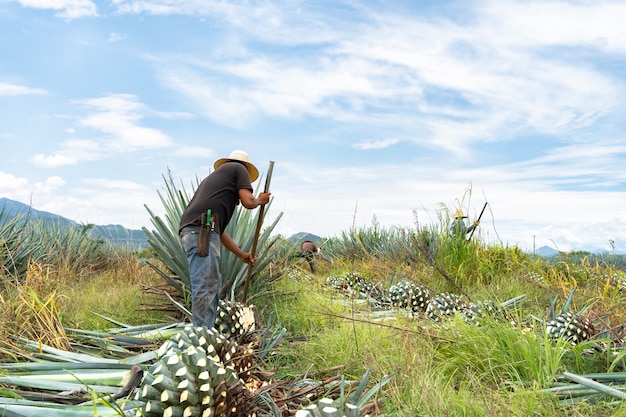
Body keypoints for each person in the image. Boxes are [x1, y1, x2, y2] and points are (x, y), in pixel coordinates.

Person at [178, 150, 271, 329]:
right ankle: (202, 339)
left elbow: (219, 232)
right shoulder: (238, 168)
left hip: (198, 231)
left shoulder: (216, 183)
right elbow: (248, 202)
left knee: (211, 285)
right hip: (201, 232)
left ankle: (206, 333)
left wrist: (241, 255)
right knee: (206, 287)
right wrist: (259, 200)